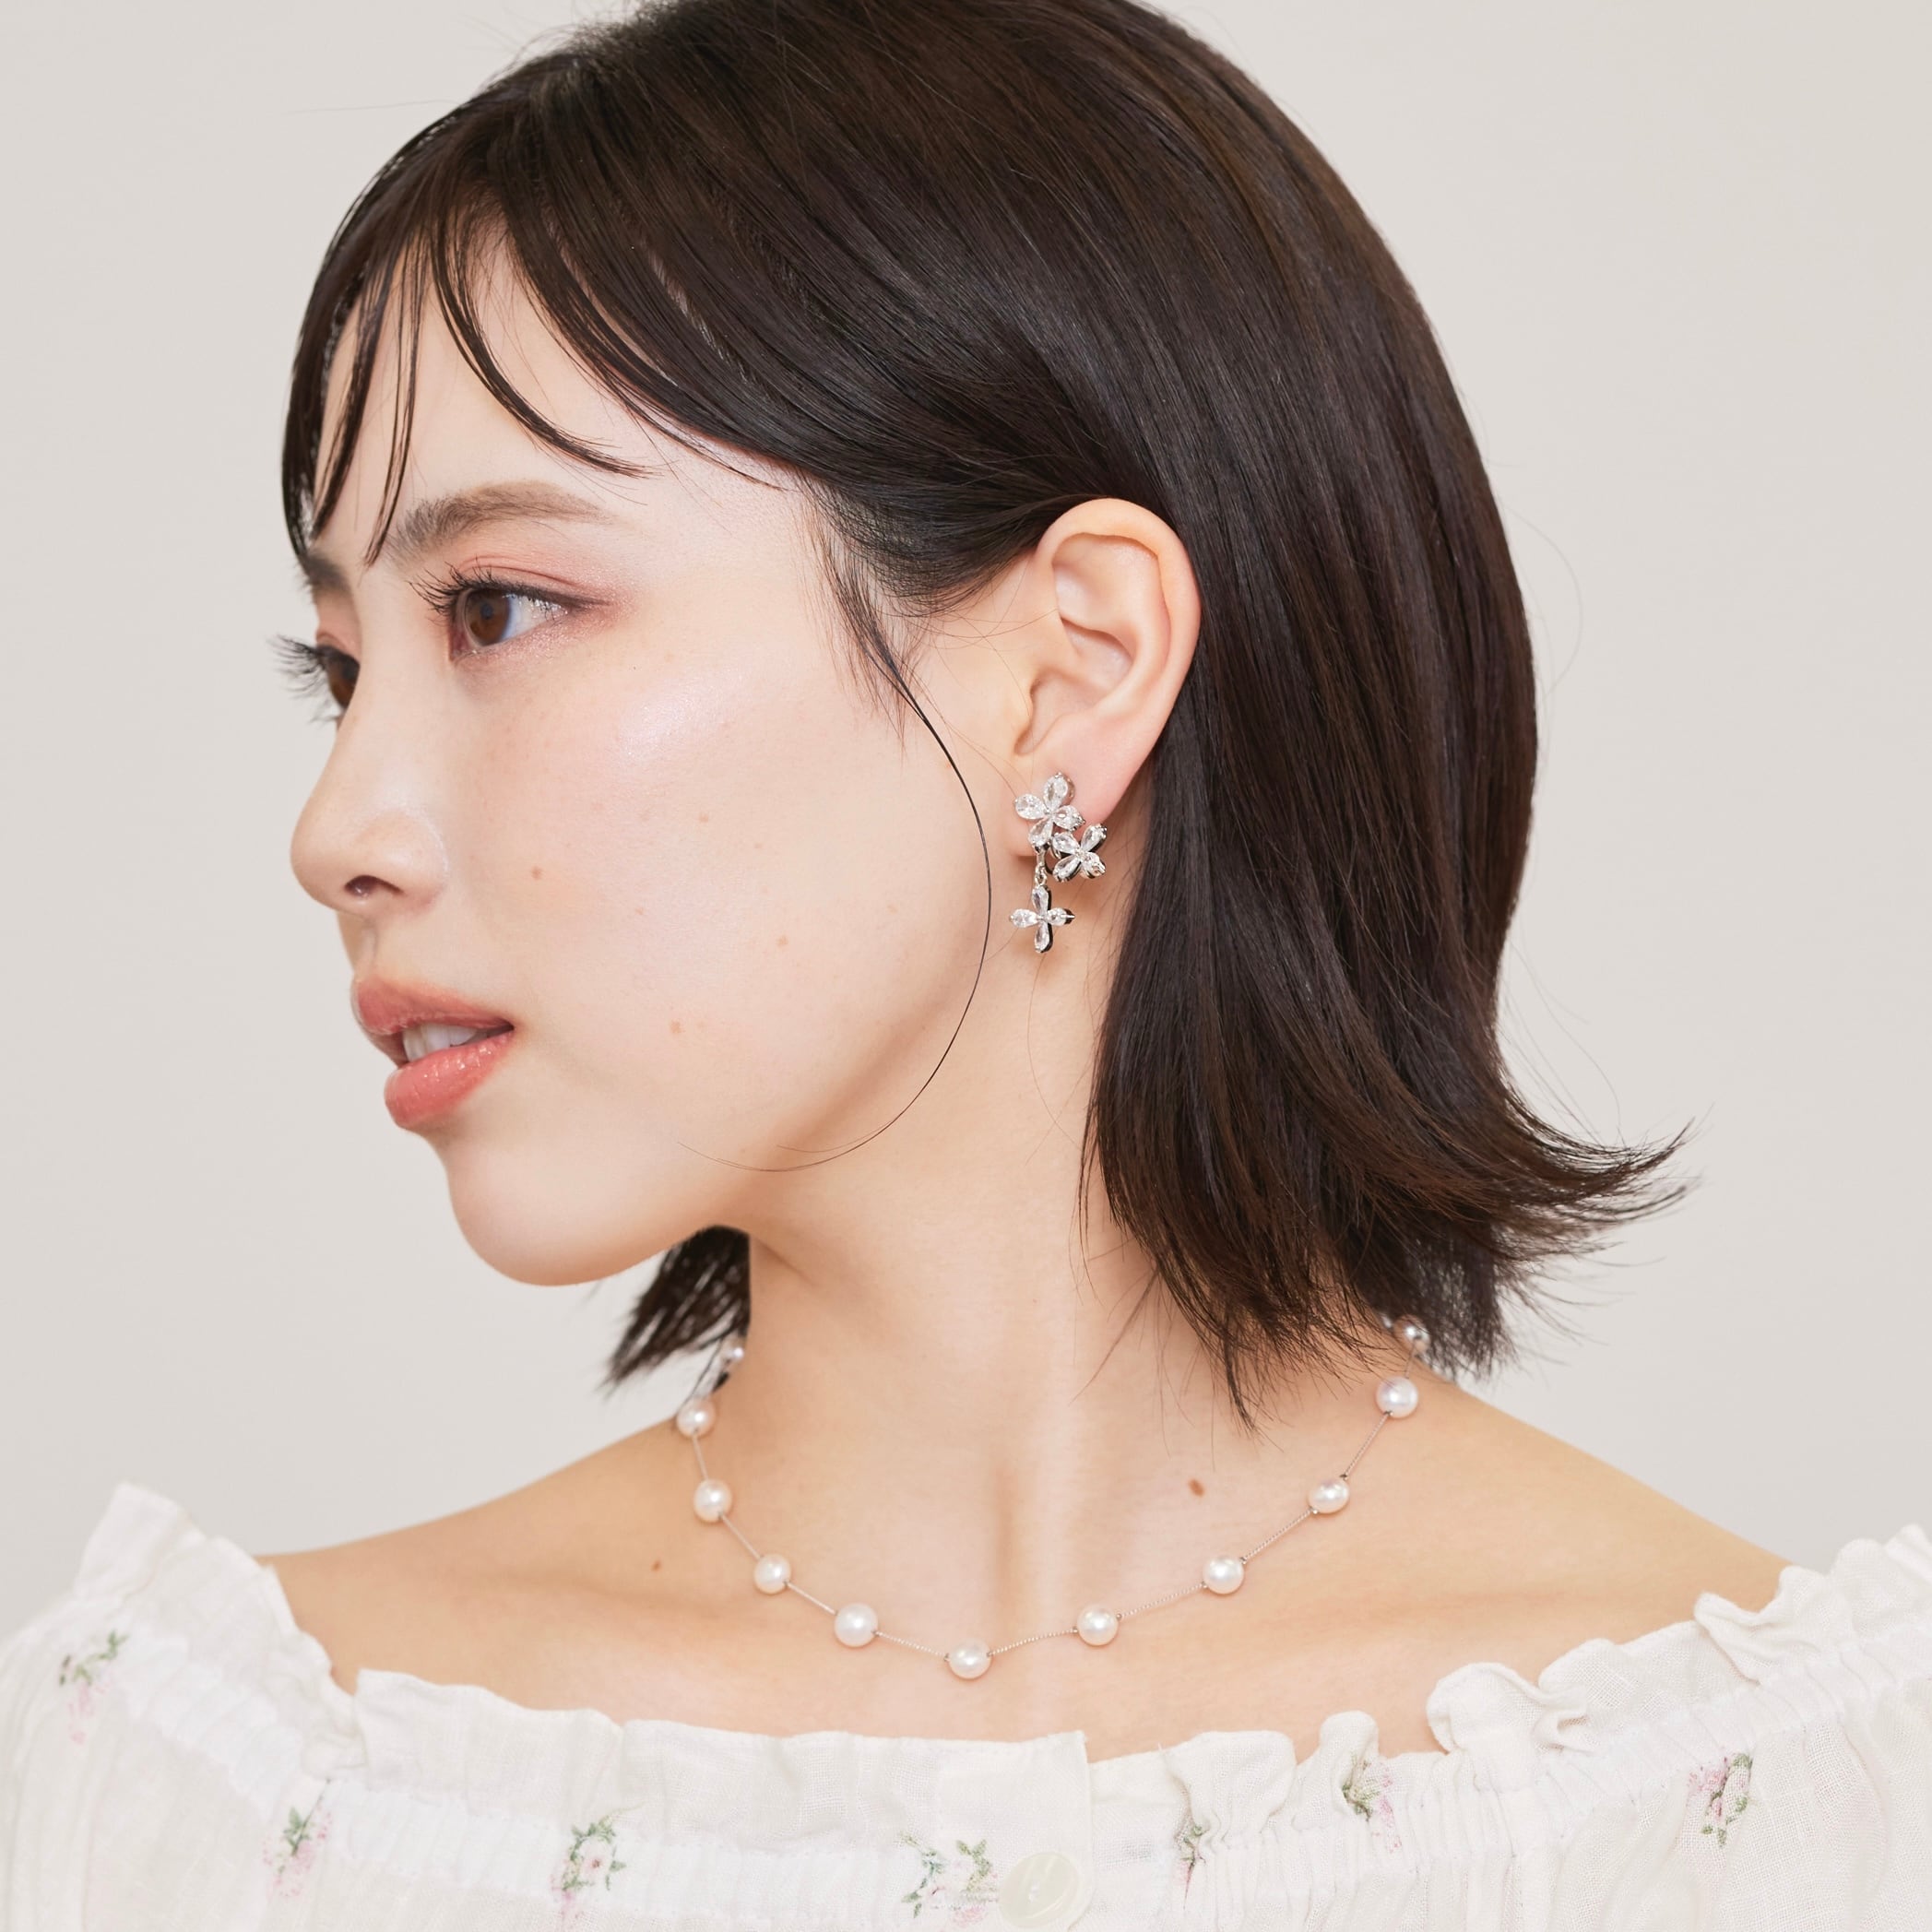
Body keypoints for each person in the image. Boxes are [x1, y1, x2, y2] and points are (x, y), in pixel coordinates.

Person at [3, 0, 1926, 1924]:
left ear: (1068, 676)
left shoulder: (1808, 1820)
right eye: (341, 672)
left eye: (500, 607)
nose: (337, 829)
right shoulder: (192, 1804)